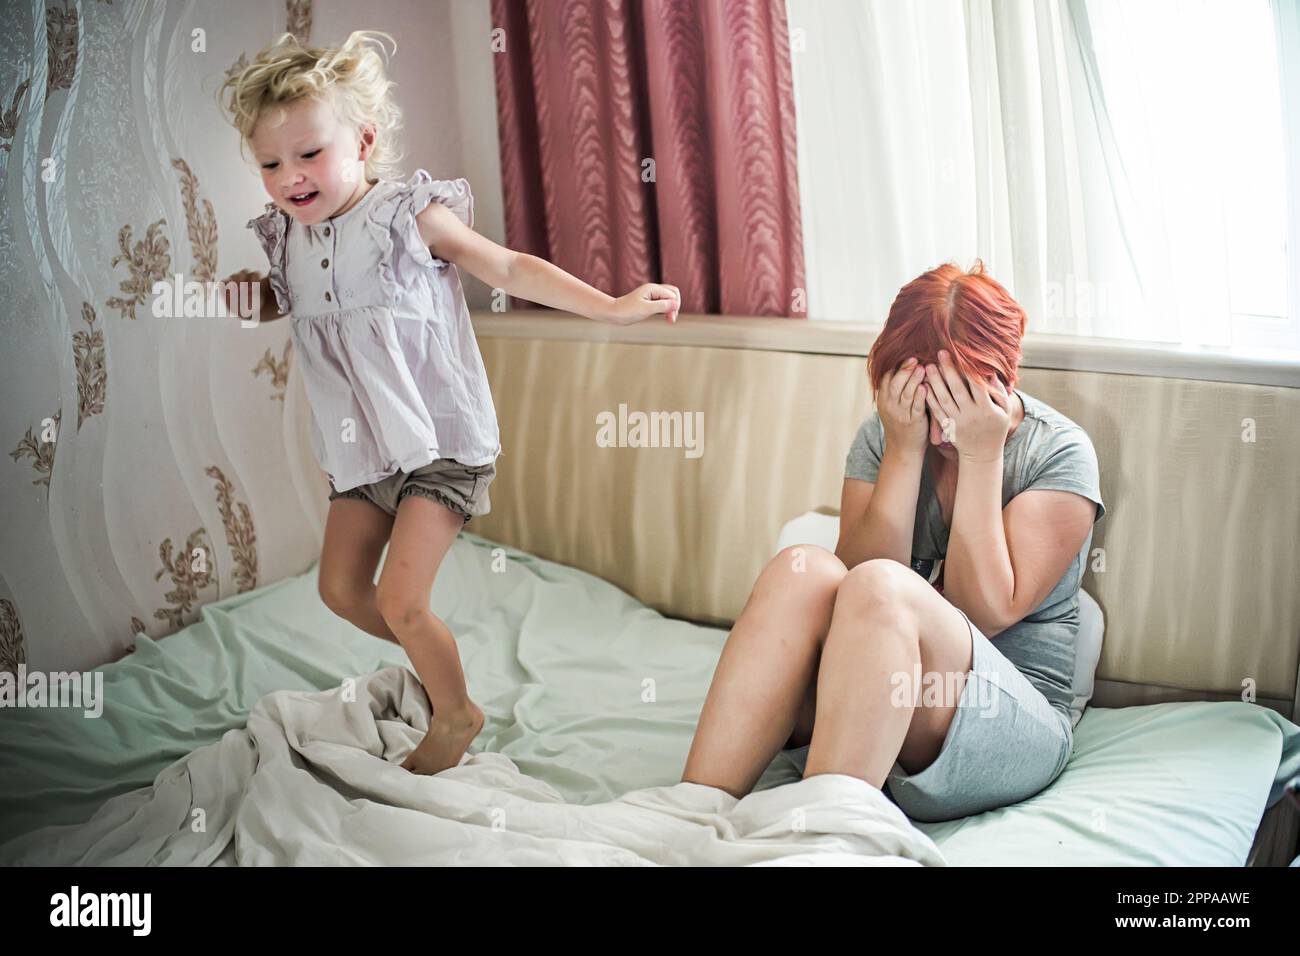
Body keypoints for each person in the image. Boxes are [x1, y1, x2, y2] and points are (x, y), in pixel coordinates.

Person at [217, 31, 680, 775]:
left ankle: (457, 711)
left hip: (438, 444)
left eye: (309, 154)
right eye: (270, 163)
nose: (290, 176)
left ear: (363, 141)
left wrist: (612, 306)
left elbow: (507, 265)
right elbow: (297, 301)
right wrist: (253, 298)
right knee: (339, 590)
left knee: (402, 601)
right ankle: (438, 665)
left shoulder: (408, 219)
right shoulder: (289, 243)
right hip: (362, 452)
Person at [682, 260, 1105, 822]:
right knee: (802, 567)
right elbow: (852, 590)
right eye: (921, 396)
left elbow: (985, 612)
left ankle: (825, 838)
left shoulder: (1058, 453)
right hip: (876, 698)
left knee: (885, 586)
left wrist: (982, 454)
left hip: (1004, 716)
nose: (936, 425)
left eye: (956, 397)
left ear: (1002, 379)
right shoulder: (888, 433)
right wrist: (903, 452)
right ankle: (691, 809)